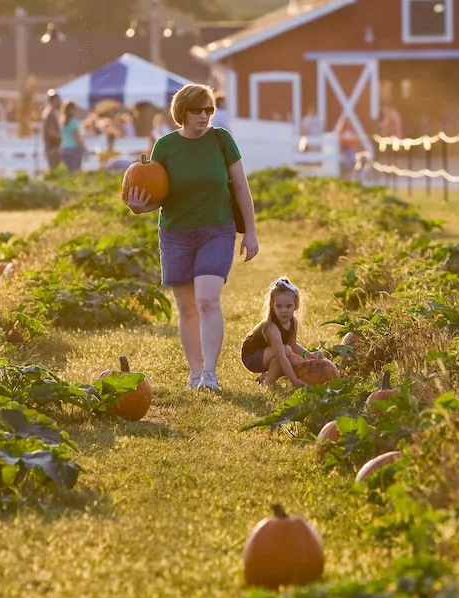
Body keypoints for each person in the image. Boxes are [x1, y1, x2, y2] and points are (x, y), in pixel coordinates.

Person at [124, 83, 258, 393]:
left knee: (208, 300)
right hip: (176, 234)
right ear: (182, 113)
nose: (204, 116)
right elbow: (160, 195)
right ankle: (195, 372)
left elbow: (240, 187)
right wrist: (139, 208)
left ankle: (210, 374)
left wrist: (250, 232)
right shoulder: (165, 147)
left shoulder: (221, 140)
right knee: (187, 308)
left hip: (217, 230)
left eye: (209, 109)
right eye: (197, 110)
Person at [240, 278, 325, 387]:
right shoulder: (272, 327)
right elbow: (282, 356)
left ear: (296, 305)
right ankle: (269, 381)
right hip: (252, 357)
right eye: (279, 306)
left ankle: (265, 376)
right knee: (286, 351)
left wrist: (309, 355)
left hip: (270, 353)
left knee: (294, 360)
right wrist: (295, 381)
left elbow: (293, 345)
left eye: (288, 306)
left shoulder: (293, 322)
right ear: (272, 306)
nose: (284, 310)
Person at [59, 100, 85, 173]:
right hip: (73, 149)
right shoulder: (73, 122)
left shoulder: (62, 122)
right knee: (75, 173)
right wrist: (83, 148)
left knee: (67, 173)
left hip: (64, 148)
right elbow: (77, 137)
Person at [41, 90, 62, 172]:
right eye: (58, 99)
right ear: (52, 100)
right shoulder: (49, 114)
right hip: (53, 147)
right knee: (55, 171)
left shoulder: (51, 112)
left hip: (53, 147)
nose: (59, 101)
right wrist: (62, 139)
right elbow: (51, 132)